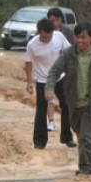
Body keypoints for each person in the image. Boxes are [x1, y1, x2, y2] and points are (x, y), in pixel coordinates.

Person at [46, 21, 91, 175]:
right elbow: (54, 71)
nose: (80, 41)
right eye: (77, 37)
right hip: (73, 102)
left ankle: (86, 167)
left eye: (83, 37)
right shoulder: (68, 54)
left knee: (86, 136)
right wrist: (50, 88)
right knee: (81, 134)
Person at [25, 18, 76, 150]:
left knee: (67, 105)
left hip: (60, 77)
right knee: (41, 110)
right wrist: (29, 81)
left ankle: (67, 137)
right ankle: (40, 141)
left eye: (49, 36)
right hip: (42, 80)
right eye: (44, 37)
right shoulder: (32, 45)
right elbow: (29, 63)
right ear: (39, 33)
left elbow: (69, 52)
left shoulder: (59, 37)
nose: (47, 39)